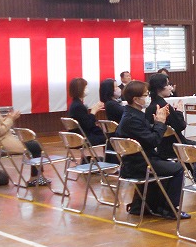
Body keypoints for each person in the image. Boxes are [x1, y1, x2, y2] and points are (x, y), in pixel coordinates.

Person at [114, 80, 189, 220]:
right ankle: (169, 208)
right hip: (139, 164)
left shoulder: (132, 114)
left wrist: (156, 123)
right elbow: (153, 141)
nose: (148, 97)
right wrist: (160, 123)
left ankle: (145, 205)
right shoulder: (132, 119)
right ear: (136, 99)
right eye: (145, 95)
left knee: (166, 163)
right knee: (178, 168)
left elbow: (146, 136)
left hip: (137, 161)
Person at [0, 82, 47, 186]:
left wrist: (7, 118)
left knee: (33, 145)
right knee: (35, 146)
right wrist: (11, 119)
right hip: (1, 143)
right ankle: (36, 177)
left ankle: (37, 177)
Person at [146, 73, 188, 159]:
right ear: (159, 88)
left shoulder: (150, 107)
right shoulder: (164, 107)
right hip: (175, 146)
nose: (170, 88)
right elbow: (180, 126)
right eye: (168, 84)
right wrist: (179, 112)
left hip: (161, 147)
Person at [68, 78, 106, 146]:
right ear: (80, 89)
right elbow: (88, 125)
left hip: (80, 136)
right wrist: (93, 112)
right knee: (108, 138)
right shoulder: (78, 106)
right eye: (85, 87)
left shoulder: (75, 104)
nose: (87, 89)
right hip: (84, 138)